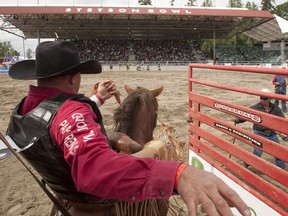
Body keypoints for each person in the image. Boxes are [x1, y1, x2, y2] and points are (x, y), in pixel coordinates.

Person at [6, 41, 251, 216]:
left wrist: (98, 99)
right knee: (156, 147)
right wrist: (177, 174)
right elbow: (95, 169)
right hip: (99, 201)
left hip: (65, 191)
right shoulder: (71, 112)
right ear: (74, 77)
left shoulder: (24, 110)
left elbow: (57, 126)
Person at [235, 88, 286, 169]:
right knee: (257, 153)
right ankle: (245, 165)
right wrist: (237, 120)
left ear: (270, 99)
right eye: (261, 98)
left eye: (265, 98)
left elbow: (282, 121)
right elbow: (246, 115)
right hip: (259, 133)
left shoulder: (275, 108)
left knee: (278, 153)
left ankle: (282, 171)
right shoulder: (255, 108)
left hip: (272, 133)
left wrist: (283, 132)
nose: (262, 100)